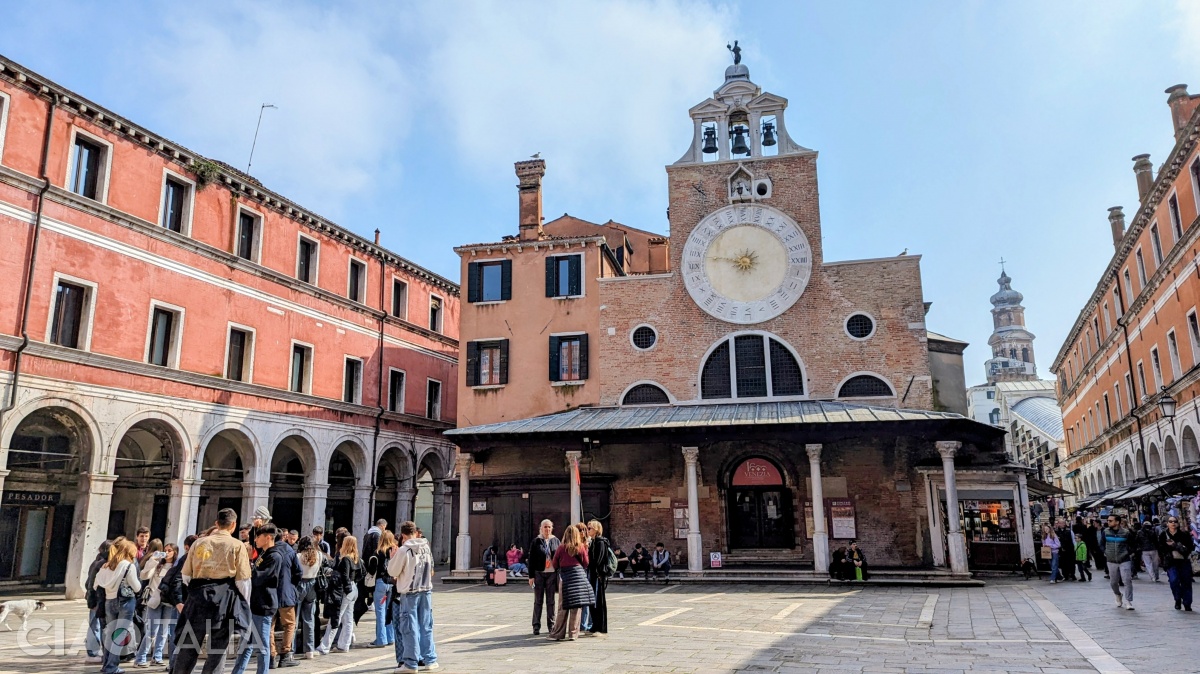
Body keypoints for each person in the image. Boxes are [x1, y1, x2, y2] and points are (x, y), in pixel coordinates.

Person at [174, 508, 253, 674]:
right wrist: (242, 604)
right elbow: (243, 581)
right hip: (224, 598)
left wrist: (197, 589)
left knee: (189, 645)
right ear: (233, 525)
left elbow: (186, 576)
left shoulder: (198, 543)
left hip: (198, 596)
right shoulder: (237, 545)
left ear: (216, 523)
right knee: (218, 649)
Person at [230, 524, 283, 674]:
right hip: (254, 604)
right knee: (245, 644)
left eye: (258, 536)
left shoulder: (274, 556)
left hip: (264, 605)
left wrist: (247, 571)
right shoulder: (264, 554)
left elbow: (259, 577)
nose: (256, 540)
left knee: (262, 645)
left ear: (268, 538)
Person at [388, 520, 439, 672]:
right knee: (426, 625)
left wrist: (393, 557)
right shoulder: (426, 547)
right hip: (426, 590)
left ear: (403, 535)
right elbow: (431, 569)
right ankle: (430, 659)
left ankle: (410, 663)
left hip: (409, 592)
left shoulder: (404, 550)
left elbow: (393, 572)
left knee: (409, 627)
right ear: (415, 532)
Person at [95, 539, 140, 674]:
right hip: (125, 602)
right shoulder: (128, 565)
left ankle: (106, 664)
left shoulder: (107, 565)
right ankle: (112, 667)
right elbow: (137, 587)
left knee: (110, 634)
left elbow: (96, 583)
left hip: (109, 601)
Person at [317, 535, 362, 654]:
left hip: (345, 590)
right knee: (348, 619)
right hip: (353, 588)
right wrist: (353, 584)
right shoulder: (356, 557)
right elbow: (362, 572)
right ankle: (344, 645)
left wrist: (346, 589)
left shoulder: (346, 559)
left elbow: (345, 576)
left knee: (336, 616)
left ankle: (325, 646)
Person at [546, 524, 592, 641]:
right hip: (579, 578)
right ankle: (573, 633)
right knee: (577, 605)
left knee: (563, 605)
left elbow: (555, 564)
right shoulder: (581, 547)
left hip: (566, 577)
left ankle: (558, 633)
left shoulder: (561, 548)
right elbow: (586, 563)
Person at [134, 543, 177, 667]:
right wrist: (153, 560)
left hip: (168, 602)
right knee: (152, 630)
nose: (167, 553)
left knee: (163, 631)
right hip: (155, 600)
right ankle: (140, 658)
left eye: (170, 551)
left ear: (175, 552)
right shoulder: (158, 565)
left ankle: (157, 656)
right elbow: (144, 575)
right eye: (165, 550)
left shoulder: (175, 566)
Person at [271, 528, 302, 668]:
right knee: (289, 624)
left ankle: (271, 656)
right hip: (285, 592)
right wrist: (291, 586)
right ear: (283, 538)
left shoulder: (268, 551)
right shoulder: (289, 551)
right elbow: (298, 572)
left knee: (270, 625)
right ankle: (285, 654)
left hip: (270, 593)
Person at [527, 519, 560, 636]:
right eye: (545, 527)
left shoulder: (556, 540)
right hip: (539, 573)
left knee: (551, 601)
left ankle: (551, 626)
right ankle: (536, 626)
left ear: (552, 528)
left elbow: (560, 557)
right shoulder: (536, 541)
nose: (547, 529)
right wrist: (531, 576)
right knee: (538, 601)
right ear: (541, 528)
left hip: (552, 573)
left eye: (549, 527)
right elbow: (531, 560)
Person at [294, 536, 324, 660]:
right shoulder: (319, 555)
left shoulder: (298, 556)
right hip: (312, 584)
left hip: (300, 585)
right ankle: (309, 650)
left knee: (294, 620)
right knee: (309, 619)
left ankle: (291, 649)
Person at [367, 530, 397, 647]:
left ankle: (381, 639)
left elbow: (372, 570)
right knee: (388, 611)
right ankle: (390, 637)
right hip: (391, 583)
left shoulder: (378, 552)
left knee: (380, 611)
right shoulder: (395, 551)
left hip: (380, 583)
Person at [84, 540, 112, 664]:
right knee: (95, 625)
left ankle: (95, 652)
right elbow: (90, 583)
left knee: (96, 625)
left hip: (95, 598)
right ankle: (92, 652)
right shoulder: (100, 564)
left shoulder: (96, 562)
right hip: (96, 598)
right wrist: (93, 597)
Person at [1159, 515, 1195, 611]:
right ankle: (1178, 599)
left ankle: (1187, 603)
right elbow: (1161, 548)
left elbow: (1189, 548)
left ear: (1178, 523)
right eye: (1171, 521)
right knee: (1173, 581)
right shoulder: (1163, 535)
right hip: (1171, 562)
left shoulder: (1184, 534)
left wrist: (1175, 545)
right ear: (1167, 523)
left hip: (1183, 561)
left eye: (1175, 521)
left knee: (1186, 582)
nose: (1173, 523)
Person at [583, 520, 611, 637]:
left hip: (598, 576)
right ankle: (594, 626)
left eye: (590, 528)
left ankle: (600, 627)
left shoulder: (600, 542)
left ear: (596, 530)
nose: (587, 530)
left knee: (598, 602)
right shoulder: (594, 542)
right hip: (593, 575)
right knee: (592, 601)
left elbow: (597, 561)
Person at [1102, 513, 1134, 610]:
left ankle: (1128, 601)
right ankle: (1118, 594)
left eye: (1110, 520)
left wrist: (1129, 553)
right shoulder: (1106, 532)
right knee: (1113, 582)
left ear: (1117, 522)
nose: (1108, 522)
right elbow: (1101, 543)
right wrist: (1105, 552)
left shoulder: (1126, 533)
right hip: (1111, 560)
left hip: (1124, 559)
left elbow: (1133, 544)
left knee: (1127, 580)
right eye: (1108, 520)